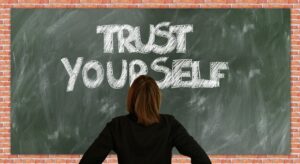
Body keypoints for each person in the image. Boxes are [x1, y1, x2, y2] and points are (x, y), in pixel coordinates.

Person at [79, 75, 211, 164]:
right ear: (156, 99)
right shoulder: (169, 125)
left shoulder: (117, 126)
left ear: (131, 97)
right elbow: (202, 159)